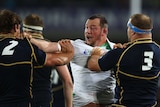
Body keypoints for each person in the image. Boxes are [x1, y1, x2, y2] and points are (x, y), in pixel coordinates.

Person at [28, 14, 116, 107]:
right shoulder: (75, 46)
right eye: (86, 28)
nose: (88, 31)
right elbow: (47, 46)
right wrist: (30, 39)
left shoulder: (115, 49)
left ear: (104, 31)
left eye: (93, 28)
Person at [0, 9, 74, 107]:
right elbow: (68, 81)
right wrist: (70, 52)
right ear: (16, 27)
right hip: (39, 100)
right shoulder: (29, 47)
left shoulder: (22, 44)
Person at [87, 13, 160, 107]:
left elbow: (92, 66)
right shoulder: (158, 51)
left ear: (132, 31)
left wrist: (95, 54)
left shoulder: (120, 53)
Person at [23, 14, 73, 107]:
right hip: (42, 99)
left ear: (25, 29)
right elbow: (68, 81)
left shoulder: (20, 46)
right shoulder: (52, 49)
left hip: (20, 97)